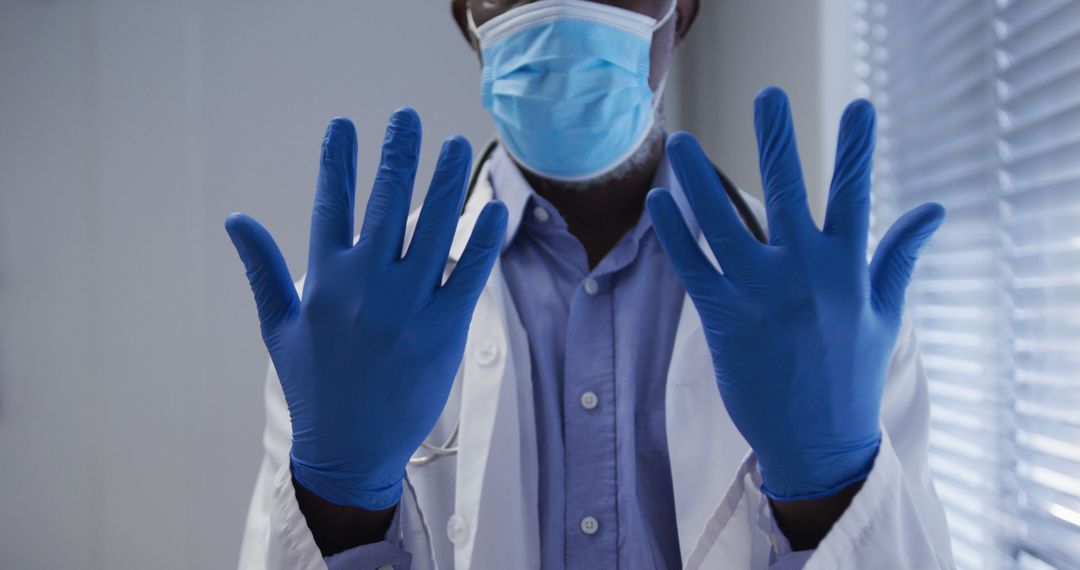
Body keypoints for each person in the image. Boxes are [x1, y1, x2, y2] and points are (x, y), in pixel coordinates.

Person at [228, 1, 954, 568]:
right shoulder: (341, 326)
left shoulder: (838, 322)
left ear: (683, 11)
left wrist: (830, 493)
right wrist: (341, 505)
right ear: (469, 17)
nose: (564, 11)